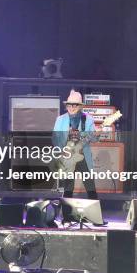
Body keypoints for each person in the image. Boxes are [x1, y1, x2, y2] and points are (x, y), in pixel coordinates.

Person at [52, 89, 101, 221]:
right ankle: (67, 217)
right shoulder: (60, 119)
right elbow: (55, 140)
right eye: (69, 105)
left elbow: (94, 139)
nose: (72, 107)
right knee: (68, 187)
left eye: (75, 105)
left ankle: (95, 218)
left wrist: (96, 134)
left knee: (90, 186)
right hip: (67, 158)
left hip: (83, 157)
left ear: (80, 106)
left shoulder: (88, 119)